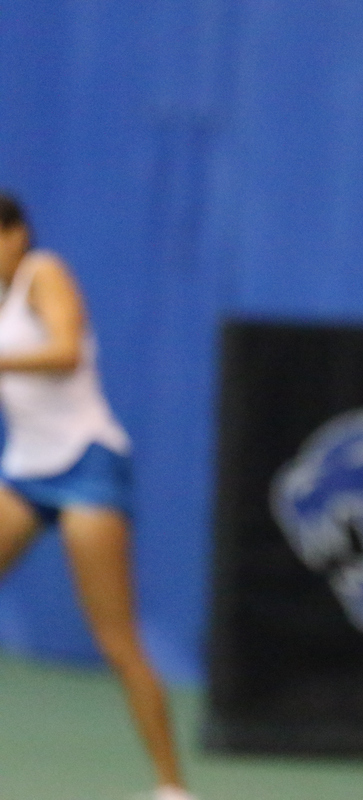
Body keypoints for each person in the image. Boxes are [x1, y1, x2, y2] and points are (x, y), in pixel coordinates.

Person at [0, 194, 194, 800]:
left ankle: (171, 788)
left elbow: (65, 352)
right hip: (25, 469)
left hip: (88, 465)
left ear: (15, 235)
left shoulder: (44, 273)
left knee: (117, 640)